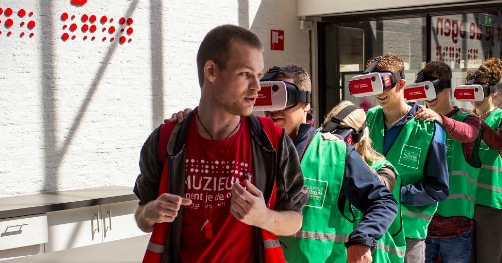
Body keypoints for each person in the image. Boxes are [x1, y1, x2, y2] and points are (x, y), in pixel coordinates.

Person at [169, 64, 398, 263]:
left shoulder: (334, 154)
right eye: (266, 99)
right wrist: (193, 122)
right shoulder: (246, 147)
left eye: (283, 98)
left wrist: (362, 240)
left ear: (306, 103)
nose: (274, 109)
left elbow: (383, 203)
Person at [132, 24, 308, 263]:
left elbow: (295, 219)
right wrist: (151, 212)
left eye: (258, 75)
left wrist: (263, 217)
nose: (257, 87)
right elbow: (141, 218)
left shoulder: (272, 141)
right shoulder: (167, 140)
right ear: (212, 71)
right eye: (246, 74)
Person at [362, 53, 450, 263]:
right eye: (375, 87)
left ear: (401, 83)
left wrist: (395, 193)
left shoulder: (429, 127)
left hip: (408, 235)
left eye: (386, 86)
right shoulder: (366, 120)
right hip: (370, 231)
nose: (380, 93)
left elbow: (438, 188)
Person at [412, 61, 482, 263]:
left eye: (434, 90)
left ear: (447, 89)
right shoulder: (418, 121)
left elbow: (468, 134)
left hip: (456, 227)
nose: (430, 97)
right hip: (422, 223)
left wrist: (441, 119)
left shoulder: (468, 118)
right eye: (425, 90)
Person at [321, 100, 405, 263]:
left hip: (373, 256)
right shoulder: (326, 163)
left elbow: (382, 185)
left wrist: (348, 157)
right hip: (336, 255)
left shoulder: (383, 167)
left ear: (360, 135)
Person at [466, 57, 502, 263]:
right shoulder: (463, 119)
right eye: (471, 90)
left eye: (480, 90)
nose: (475, 96)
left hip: (492, 206)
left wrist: (475, 123)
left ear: (494, 92)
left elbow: (500, 141)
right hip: (465, 203)